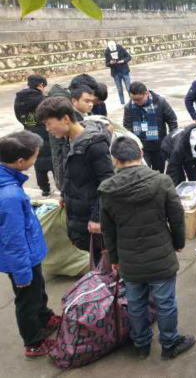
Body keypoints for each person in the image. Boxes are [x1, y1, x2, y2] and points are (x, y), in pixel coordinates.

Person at [99, 137, 195, 360]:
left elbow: (108, 231)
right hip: (160, 255)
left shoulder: (107, 190)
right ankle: (169, 344)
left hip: (129, 258)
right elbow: (176, 217)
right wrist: (179, 243)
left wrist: (114, 258)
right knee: (165, 303)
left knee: (136, 303)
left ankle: (141, 344)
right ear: (141, 154)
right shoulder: (161, 181)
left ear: (115, 159)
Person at [0, 131, 61, 358]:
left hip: (29, 254)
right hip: (22, 260)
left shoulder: (9, 181)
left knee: (38, 291)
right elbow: (13, 240)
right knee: (27, 300)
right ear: (20, 161)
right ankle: (34, 342)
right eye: (35, 156)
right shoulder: (9, 196)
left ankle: (45, 318)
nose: (37, 159)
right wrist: (22, 274)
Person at [35, 97, 114, 265]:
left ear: (65, 118)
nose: (47, 129)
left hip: (93, 217)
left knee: (104, 262)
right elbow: (71, 173)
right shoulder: (67, 140)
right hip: (78, 212)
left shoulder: (94, 145)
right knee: (94, 259)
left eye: (49, 124)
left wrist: (98, 217)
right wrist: (65, 193)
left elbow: (108, 182)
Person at [124, 82, 178, 173]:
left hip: (159, 146)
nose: (136, 102)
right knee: (145, 173)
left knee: (158, 172)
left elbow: (172, 121)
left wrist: (170, 141)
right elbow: (127, 127)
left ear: (146, 93)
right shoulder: (129, 107)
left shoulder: (160, 102)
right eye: (133, 99)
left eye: (138, 99)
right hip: (141, 147)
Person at [14, 75, 53, 196]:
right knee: (52, 160)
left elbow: (18, 116)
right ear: (41, 85)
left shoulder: (19, 99)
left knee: (37, 161)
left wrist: (28, 124)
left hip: (29, 132)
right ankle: (60, 187)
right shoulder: (42, 99)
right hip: (45, 132)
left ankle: (45, 189)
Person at [105, 40, 132, 105]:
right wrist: (111, 63)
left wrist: (123, 60)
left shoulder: (120, 48)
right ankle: (122, 103)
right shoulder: (107, 51)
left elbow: (129, 57)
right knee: (119, 89)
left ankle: (132, 102)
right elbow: (107, 64)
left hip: (124, 71)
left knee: (129, 88)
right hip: (115, 73)